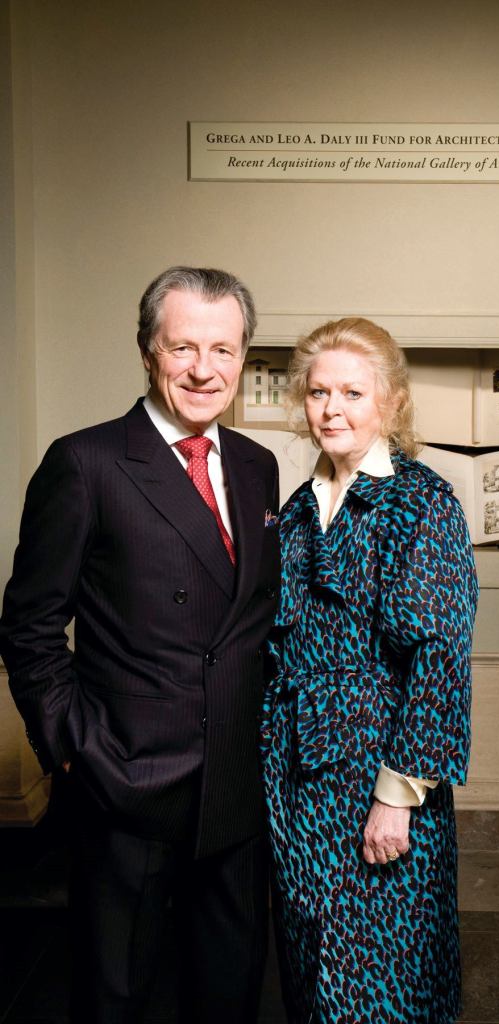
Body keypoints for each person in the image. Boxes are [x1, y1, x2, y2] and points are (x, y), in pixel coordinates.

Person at [0, 266, 280, 1024]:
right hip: (125, 780)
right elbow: (28, 624)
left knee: (228, 992)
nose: (203, 368)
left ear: (244, 356)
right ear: (148, 352)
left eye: (223, 349)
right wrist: (72, 745)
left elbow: (252, 620)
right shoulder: (85, 463)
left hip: (235, 784)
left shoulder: (259, 467)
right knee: (116, 997)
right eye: (183, 346)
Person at [261, 317, 478, 1024]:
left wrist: (398, 793)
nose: (332, 408)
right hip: (297, 773)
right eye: (319, 392)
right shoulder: (296, 510)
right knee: (312, 959)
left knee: (384, 970)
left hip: (376, 778)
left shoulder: (423, 503)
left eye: (353, 392)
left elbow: (439, 657)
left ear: (391, 403)